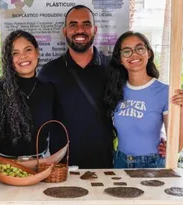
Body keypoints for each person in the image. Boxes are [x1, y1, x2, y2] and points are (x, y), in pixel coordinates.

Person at [38, 5, 113, 169]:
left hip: (104, 165)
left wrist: (161, 135)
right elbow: (34, 114)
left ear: (95, 30)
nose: (80, 30)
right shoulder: (49, 71)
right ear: (65, 31)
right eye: (73, 24)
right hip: (62, 167)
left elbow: (132, 104)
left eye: (86, 24)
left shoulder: (112, 68)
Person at [0, 30, 54, 159]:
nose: (23, 56)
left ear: (37, 52)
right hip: (1, 166)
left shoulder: (49, 89)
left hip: (42, 165)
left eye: (28, 50)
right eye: (15, 53)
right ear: (9, 59)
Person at [104, 31, 183, 168]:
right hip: (120, 162)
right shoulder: (115, 90)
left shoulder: (164, 92)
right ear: (120, 59)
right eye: (127, 51)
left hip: (152, 165)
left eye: (139, 48)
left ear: (149, 53)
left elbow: (177, 139)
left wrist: (172, 148)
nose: (134, 54)